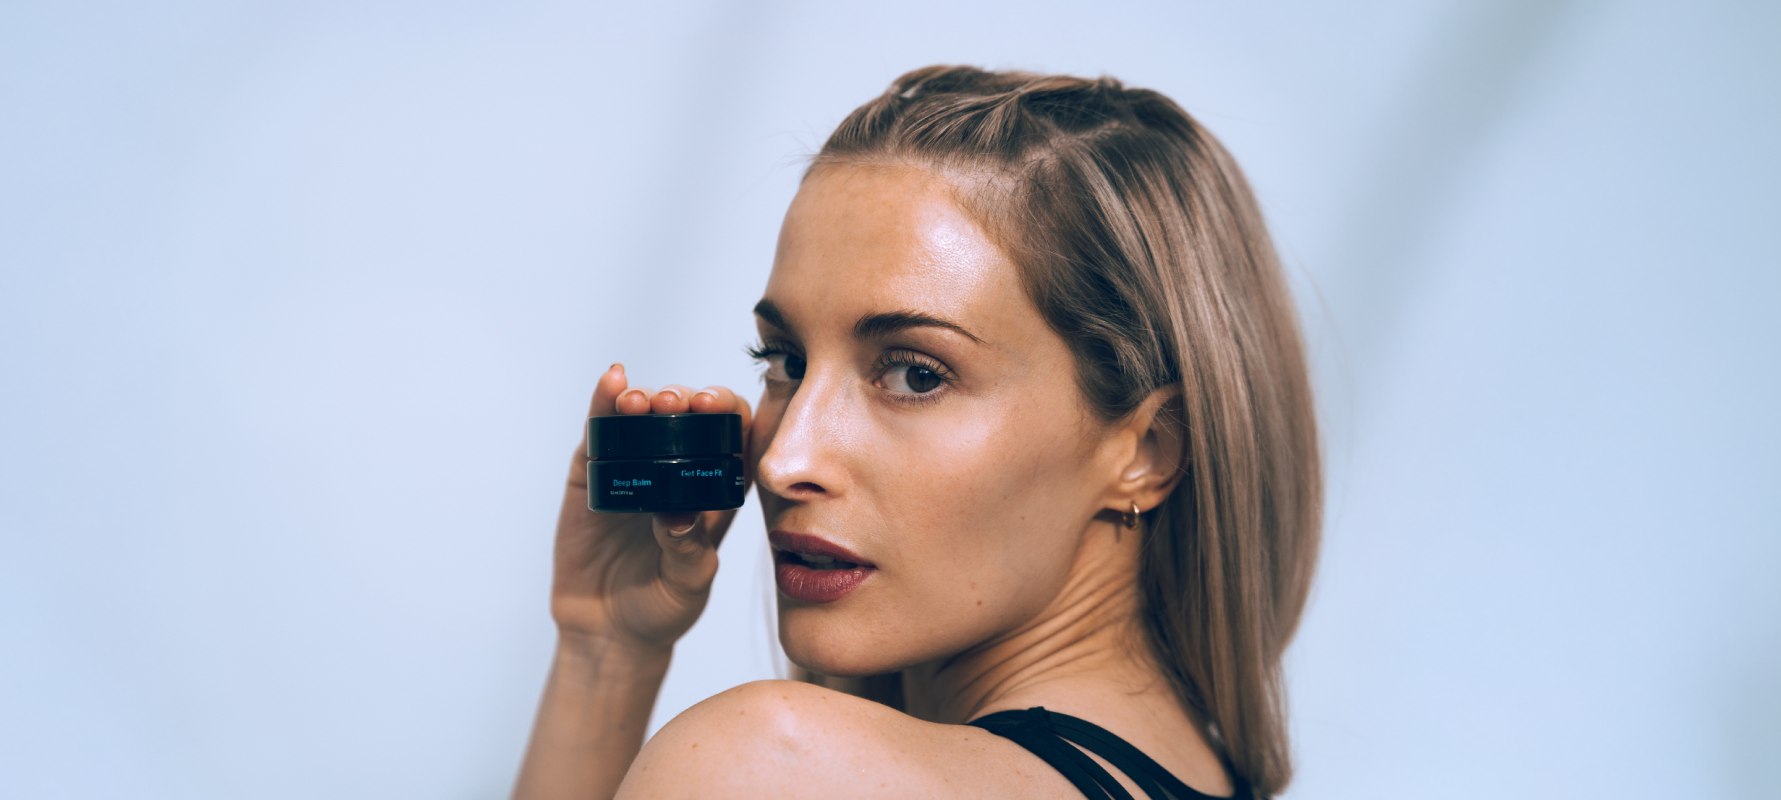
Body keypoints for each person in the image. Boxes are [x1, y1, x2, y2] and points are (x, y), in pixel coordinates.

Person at [511, 66, 1320, 800]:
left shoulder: (769, 767)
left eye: (916, 375)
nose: (784, 459)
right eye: (785, 360)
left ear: (1147, 451)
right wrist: (606, 646)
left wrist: (603, 668)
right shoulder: (1209, 775)